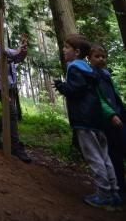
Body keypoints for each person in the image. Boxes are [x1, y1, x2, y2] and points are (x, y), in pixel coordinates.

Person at [54, 34, 122, 210]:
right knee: (104, 156)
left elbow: (76, 90)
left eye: (66, 47)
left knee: (94, 157)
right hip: (97, 119)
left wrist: (61, 86)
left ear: (76, 52)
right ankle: (114, 192)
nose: (63, 50)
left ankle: (104, 194)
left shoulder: (74, 68)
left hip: (84, 120)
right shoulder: (89, 69)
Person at [0, 21, 31, 163]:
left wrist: (22, 50)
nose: (2, 34)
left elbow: (17, 57)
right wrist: (14, 52)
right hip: (0, 86)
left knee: (8, 112)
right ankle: (15, 146)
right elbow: (0, 57)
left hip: (9, 85)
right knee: (12, 112)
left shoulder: (2, 48)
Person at [89, 44, 126, 200]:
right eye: (97, 56)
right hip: (107, 121)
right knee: (114, 155)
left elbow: (114, 95)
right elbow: (98, 98)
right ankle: (119, 189)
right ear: (89, 58)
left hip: (120, 116)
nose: (101, 59)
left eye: (103, 56)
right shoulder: (91, 75)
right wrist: (111, 114)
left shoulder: (106, 74)